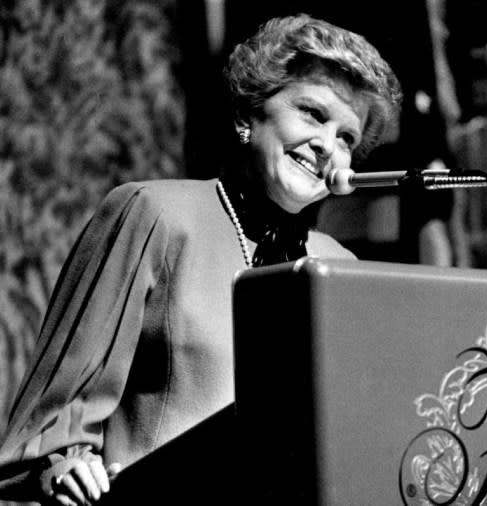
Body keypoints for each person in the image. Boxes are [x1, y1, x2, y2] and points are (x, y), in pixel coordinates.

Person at [0, 13, 402, 505]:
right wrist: (63, 466)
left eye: (347, 138)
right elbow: (52, 420)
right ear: (246, 117)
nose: (328, 147)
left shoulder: (342, 267)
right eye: (313, 114)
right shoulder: (153, 213)